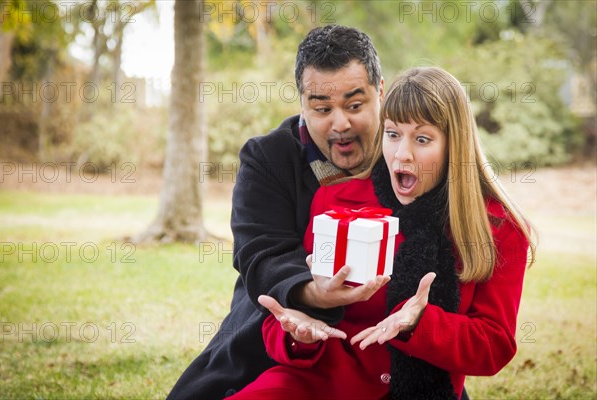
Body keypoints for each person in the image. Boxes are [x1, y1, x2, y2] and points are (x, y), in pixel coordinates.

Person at [228, 66, 535, 400]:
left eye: (422, 139)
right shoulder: (337, 201)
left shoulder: (497, 228)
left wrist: (421, 323)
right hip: (318, 386)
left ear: (453, 146)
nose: (402, 153)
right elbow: (281, 323)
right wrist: (299, 335)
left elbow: (494, 345)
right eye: (392, 134)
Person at [167, 25, 387, 400]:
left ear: (380, 92)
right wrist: (313, 293)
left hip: (382, 348)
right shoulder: (267, 158)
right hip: (280, 334)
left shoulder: (405, 153)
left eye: (354, 105)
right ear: (302, 103)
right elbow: (260, 255)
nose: (340, 123)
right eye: (322, 108)